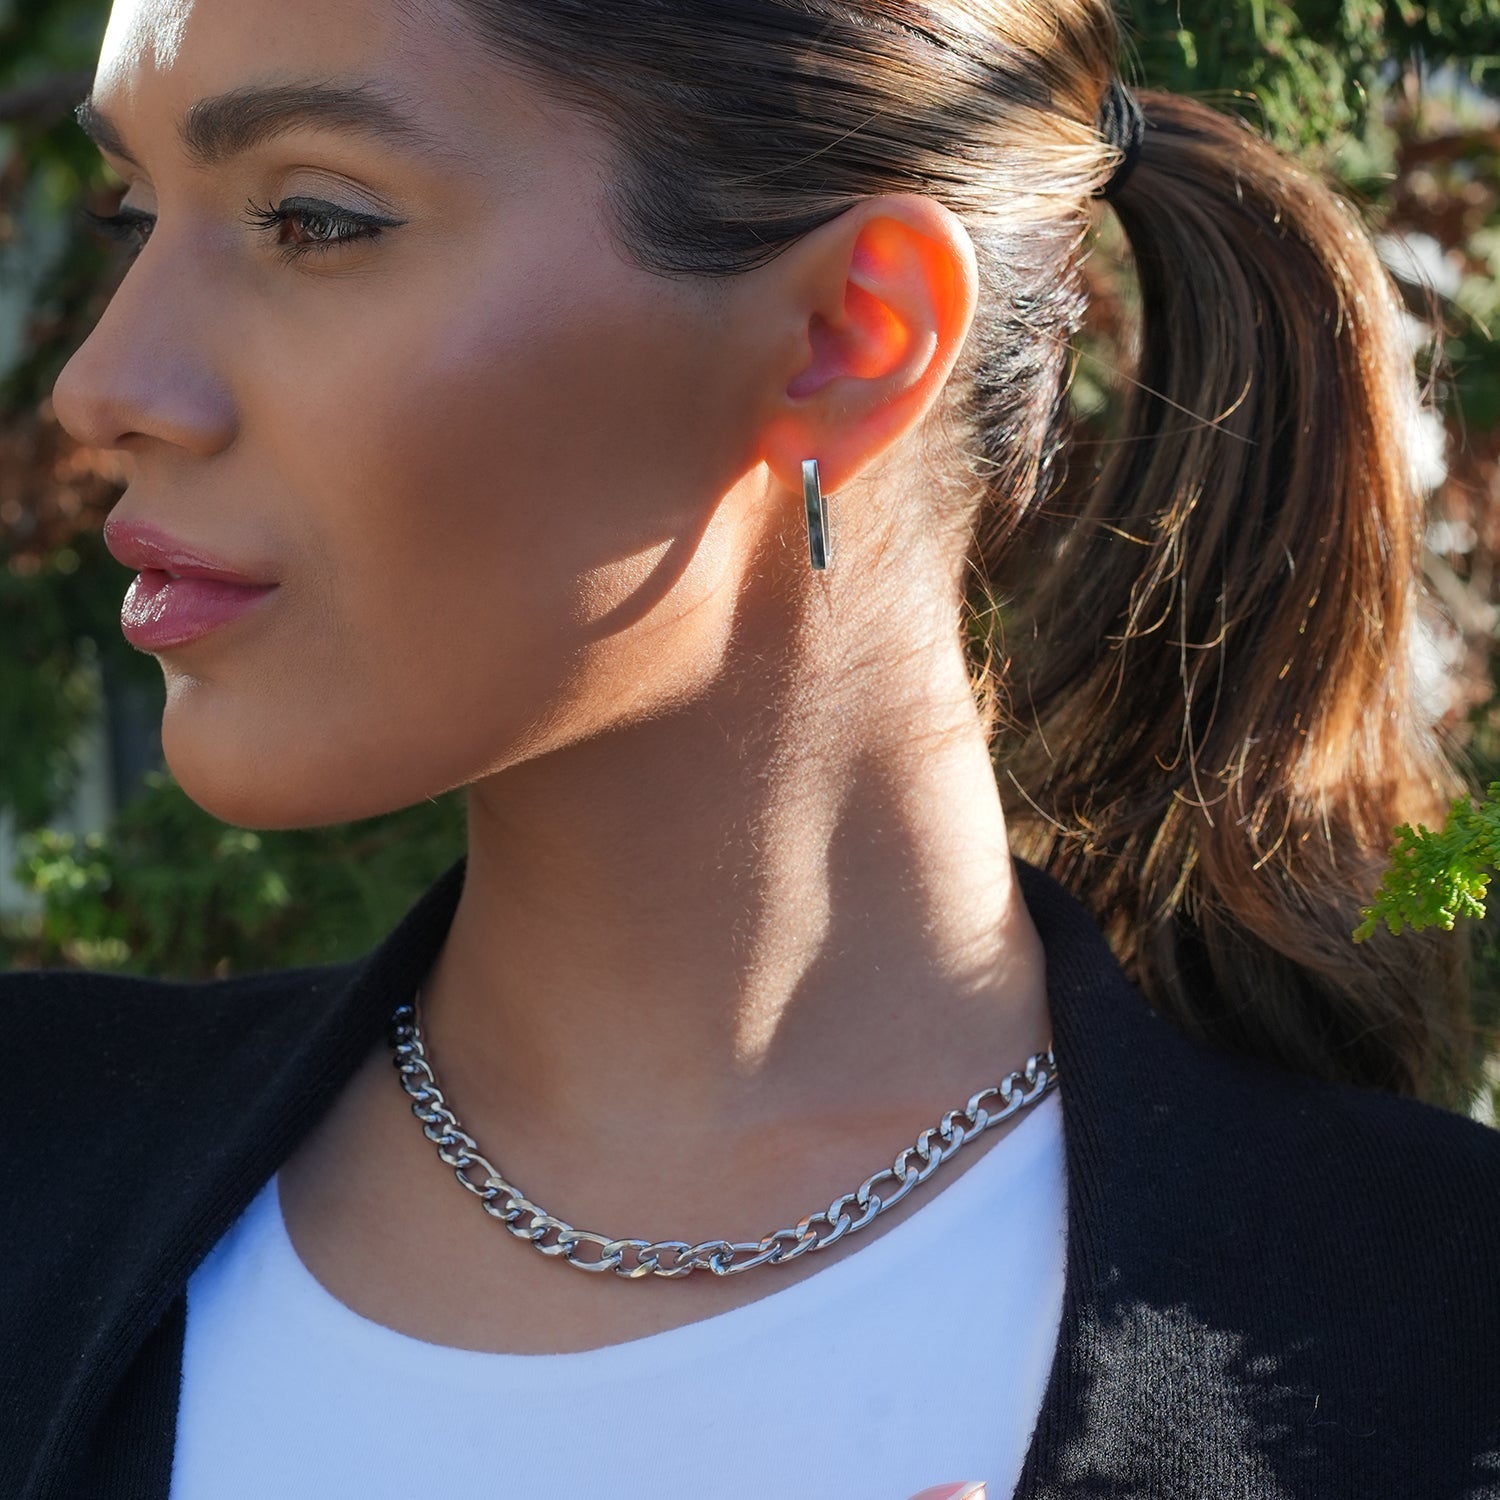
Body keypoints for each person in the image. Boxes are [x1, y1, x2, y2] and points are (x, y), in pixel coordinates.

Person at [3, 0, 1498, 1496]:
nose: (101, 387)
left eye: (313, 223)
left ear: (851, 337)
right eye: (134, 212)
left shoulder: (1438, 1339)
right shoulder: (34, 1156)